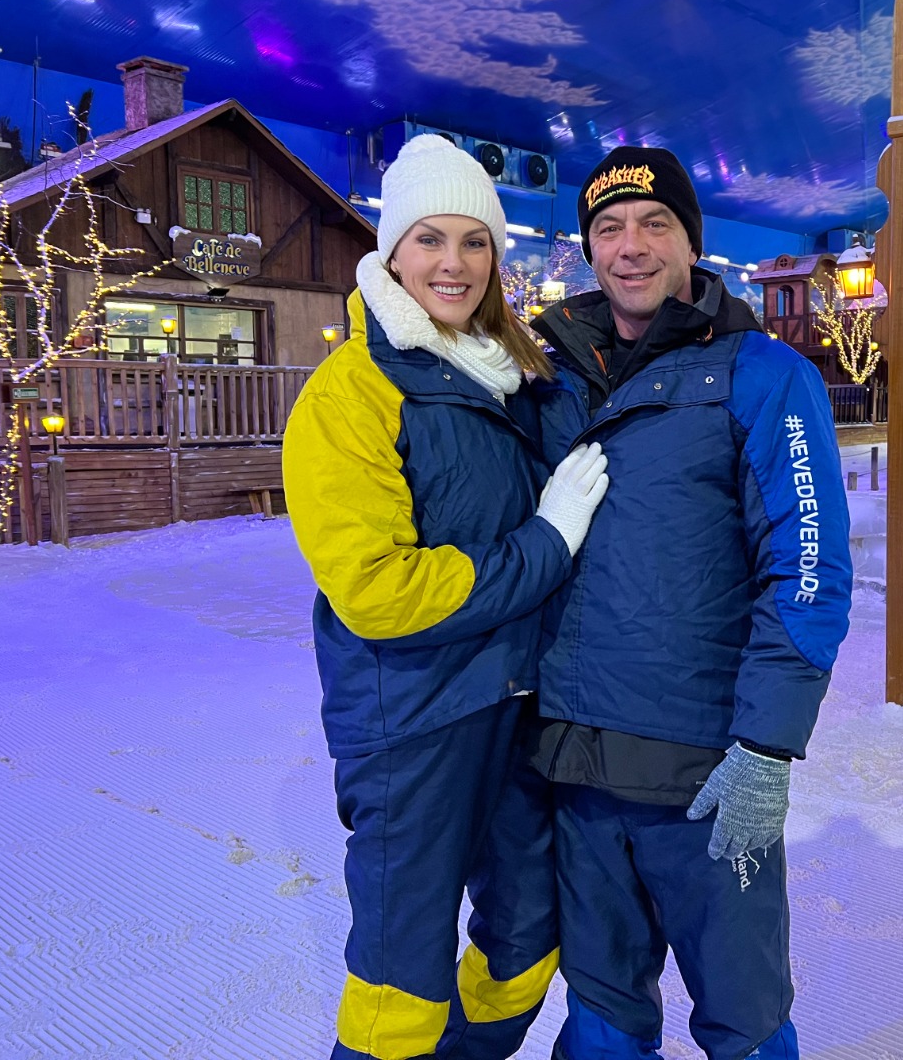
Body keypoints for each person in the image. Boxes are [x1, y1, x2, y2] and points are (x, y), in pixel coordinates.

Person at [281, 135, 609, 1060]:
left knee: (527, 934)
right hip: (414, 721)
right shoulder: (351, 395)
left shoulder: (511, 376)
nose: (453, 264)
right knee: (401, 979)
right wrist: (545, 543)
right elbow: (377, 593)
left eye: (475, 241)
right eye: (430, 239)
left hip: (516, 706)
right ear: (391, 251)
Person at [529, 146, 853, 1060]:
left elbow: (809, 566)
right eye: (608, 228)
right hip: (575, 766)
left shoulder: (763, 377)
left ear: (690, 242)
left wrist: (765, 745)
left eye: (654, 224)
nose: (630, 247)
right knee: (598, 1013)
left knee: (744, 1020)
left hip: (705, 773)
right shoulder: (550, 376)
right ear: (588, 248)